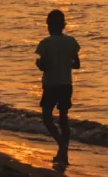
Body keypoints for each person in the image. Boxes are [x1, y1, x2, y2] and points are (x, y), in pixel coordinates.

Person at [35, 10, 81, 165]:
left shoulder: (45, 43)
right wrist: (65, 64)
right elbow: (77, 64)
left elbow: (42, 66)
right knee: (63, 119)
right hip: (66, 84)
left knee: (47, 116)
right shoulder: (71, 41)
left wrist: (40, 64)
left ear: (48, 25)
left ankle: (61, 145)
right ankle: (63, 153)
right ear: (63, 25)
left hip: (50, 84)